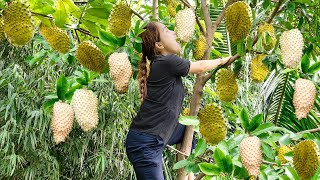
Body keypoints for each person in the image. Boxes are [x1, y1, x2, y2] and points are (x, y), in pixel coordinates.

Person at [125, 21, 231, 180]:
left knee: (187, 129)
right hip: (145, 145)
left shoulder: (162, 64)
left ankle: (188, 170)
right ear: (159, 45)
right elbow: (200, 67)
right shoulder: (166, 62)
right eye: (167, 31)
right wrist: (222, 61)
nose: (174, 33)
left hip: (158, 136)